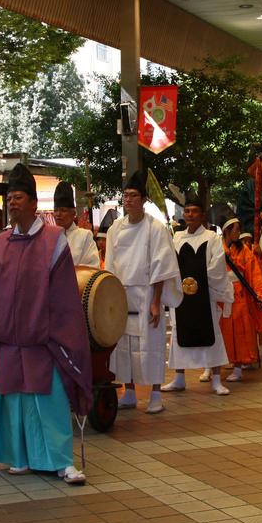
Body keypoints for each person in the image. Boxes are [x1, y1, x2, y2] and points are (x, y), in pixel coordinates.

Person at [0, 163, 91, 482]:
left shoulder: (54, 239)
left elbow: (64, 292)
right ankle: (20, 455)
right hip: (8, 340)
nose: (12, 203)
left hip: (43, 338)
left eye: (18, 197)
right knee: (12, 399)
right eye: (9, 197)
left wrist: (55, 331)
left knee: (48, 400)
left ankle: (61, 459)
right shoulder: (0, 242)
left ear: (33, 203)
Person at [106, 170, 183, 413]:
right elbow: (110, 265)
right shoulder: (114, 229)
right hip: (121, 293)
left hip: (147, 293)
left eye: (133, 195)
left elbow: (162, 266)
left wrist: (156, 301)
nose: (128, 200)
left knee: (152, 345)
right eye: (125, 195)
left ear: (143, 199)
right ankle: (128, 392)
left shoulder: (156, 228)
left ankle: (156, 395)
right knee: (124, 346)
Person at [161, 192, 233, 395]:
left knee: (212, 335)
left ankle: (217, 380)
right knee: (179, 334)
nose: (190, 215)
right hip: (182, 296)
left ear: (202, 215)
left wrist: (196, 279)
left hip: (205, 295)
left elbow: (217, 267)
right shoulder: (177, 237)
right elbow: (172, 265)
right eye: (187, 211)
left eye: (194, 211)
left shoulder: (212, 238)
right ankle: (179, 378)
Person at [217, 219, 262, 384]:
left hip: (240, 295)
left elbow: (254, 271)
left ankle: (238, 367)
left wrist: (259, 292)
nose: (238, 233)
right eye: (236, 230)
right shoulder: (216, 247)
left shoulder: (243, 250)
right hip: (221, 294)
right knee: (222, 331)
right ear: (227, 230)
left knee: (241, 331)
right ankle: (216, 366)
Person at [52, 180, 100, 268]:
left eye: (63, 210)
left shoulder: (84, 236)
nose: (58, 214)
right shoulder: (50, 237)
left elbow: (92, 268)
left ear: (73, 213)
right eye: (56, 210)